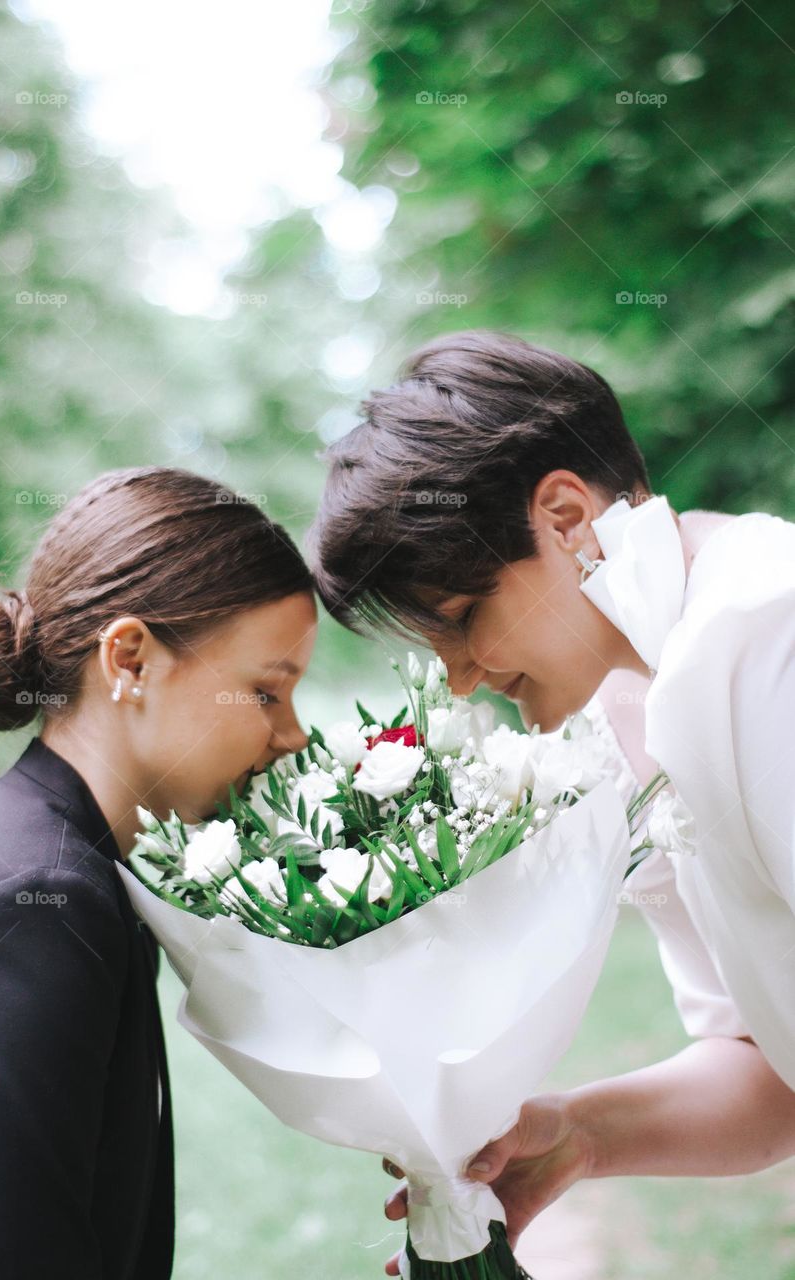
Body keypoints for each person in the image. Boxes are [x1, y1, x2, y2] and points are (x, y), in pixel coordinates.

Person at [308, 330, 795, 1272]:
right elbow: (769, 1067)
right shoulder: (628, 711)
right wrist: (577, 1134)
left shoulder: (770, 636)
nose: (455, 680)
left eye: (458, 622)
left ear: (566, 517)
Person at [0, 465, 316, 1278]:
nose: (292, 735)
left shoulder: (79, 863)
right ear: (131, 660)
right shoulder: (33, 903)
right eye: (265, 691)